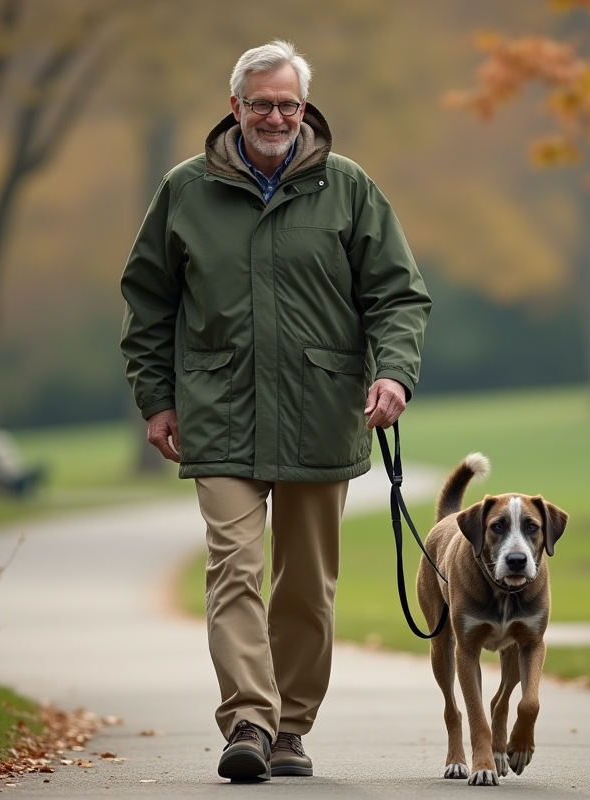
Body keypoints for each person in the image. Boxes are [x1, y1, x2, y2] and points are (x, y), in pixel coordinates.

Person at [119, 39, 431, 783]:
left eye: (288, 103)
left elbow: (396, 295)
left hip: (323, 411)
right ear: (235, 106)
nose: (275, 116)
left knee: (304, 586)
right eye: (260, 103)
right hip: (217, 411)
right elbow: (148, 300)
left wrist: (394, 375)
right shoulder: (185, 190)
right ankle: (250, 723)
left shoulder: (348, 188)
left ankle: (292, 727)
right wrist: (156, 398)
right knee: (233, 568)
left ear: (304, 108)